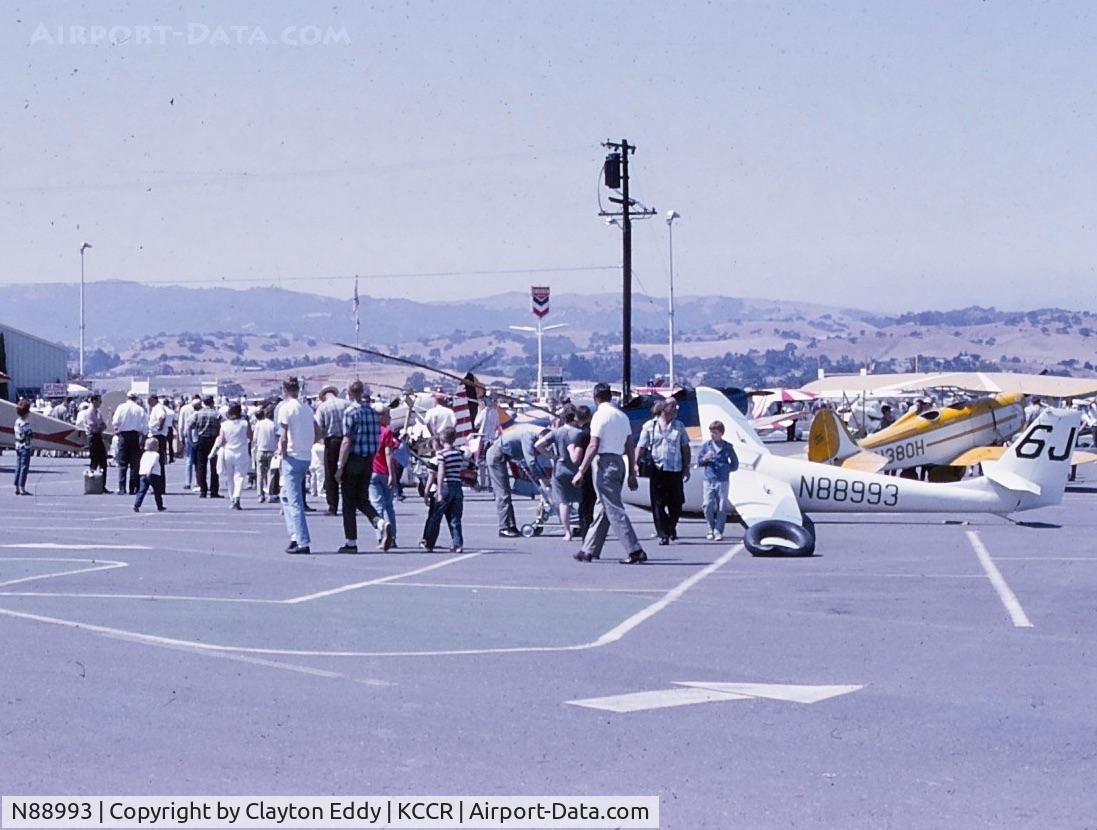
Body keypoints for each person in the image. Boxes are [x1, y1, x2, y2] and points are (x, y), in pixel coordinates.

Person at [572, 383, 646, 564]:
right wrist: (631, 471)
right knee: (603, 507)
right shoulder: (621, 416)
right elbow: (630, 444)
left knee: (613, 508)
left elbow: (593, 445)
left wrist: (581, 470)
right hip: (620, 462)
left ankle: (635, 550)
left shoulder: (599, 416)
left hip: (605, 462)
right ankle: (588, 550)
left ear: (595, 396)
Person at [335, 380, 382, 554]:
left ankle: (351, 541)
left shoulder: (351, 412)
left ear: (349, 393)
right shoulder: (372, 412)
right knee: (362, 498)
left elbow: (347, 440)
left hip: (354, 459)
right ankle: (379, 521)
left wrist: (340, 465)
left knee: (348, 502)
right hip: (369, 460)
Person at [636, 397, 691, 545]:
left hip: (675, 469)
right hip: (657, 469)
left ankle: (670, 526)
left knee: (677, 503)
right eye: (672, 406)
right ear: (663, 408)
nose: (675, 409)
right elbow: (641, 446)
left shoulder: (679, 426)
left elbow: (685, 447)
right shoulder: (650, 426)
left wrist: (687, 467)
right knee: (658, 504)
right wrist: (635, 463)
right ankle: (663, 534)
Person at [278, 377, 320, 554]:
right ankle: (294, 535)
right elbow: (318, 432)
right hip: (305, 456)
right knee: (285, 496)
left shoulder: (285, 408)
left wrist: (283, 451)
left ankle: (302, 540)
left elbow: (283, 434)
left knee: (295, 501)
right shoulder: (307, 409)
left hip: (292, 456)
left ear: (285, 390)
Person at [535, 404, 584, 541]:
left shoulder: (557, 432)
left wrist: (551, 455)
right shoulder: (578, 433)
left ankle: (567, 532)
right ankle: (583, 527)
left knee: (564, 502)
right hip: (577, 469)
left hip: (560, 469)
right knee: (581, 501)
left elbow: (538, 445)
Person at [485, 425, 542, 537]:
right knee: (503, 493)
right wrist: (539, 476)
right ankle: (504, 527)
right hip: (497, 455)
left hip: (504, 455)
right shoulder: (529, 436)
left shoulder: (533, 434)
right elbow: (530, 460)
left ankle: (511, 525)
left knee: (506, 493)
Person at [420, 426, 465, 552]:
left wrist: (439, 491)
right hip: (457, 486)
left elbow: (441, 473)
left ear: (441, 440)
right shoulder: (458, 454)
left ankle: (429, 543)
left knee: (436, 516)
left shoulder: (441, 455)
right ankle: (457, 544)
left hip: (445, 486)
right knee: (455, 517)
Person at [697, 420, 738, 541]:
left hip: (723, 480)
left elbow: (735, 464)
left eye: (715, 432)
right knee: (707, 505)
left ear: (721, 433)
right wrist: (705, 458)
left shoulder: (727, 447)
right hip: (709, 479)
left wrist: (726, 469)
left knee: (721, 506)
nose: (712, 435)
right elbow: (699, 462)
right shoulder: (706, 446)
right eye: (711, 432)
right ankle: (710, 527)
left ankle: (718, 530)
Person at [314, 384, 348, 515]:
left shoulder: (322, 408)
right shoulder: (346, 404)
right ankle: (349, 504)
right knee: (346, 473)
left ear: (323, 396)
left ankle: (333, 506)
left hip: (331, 441)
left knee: (330, 475)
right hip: (346, 440)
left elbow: (319, 428)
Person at [369, 404, 400, 550]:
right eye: (388, 416)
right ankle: (391, 536)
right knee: (389, 506)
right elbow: (388, 453)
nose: (390, 418)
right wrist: (391, 474)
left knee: (377, 506)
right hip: (383, 471)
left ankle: (381, 535)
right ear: (381, 417)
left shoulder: (369, 431)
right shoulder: (386, 432)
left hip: (372, 471)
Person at [215, 402, 252, 510]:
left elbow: (221, 440)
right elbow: (250, 436)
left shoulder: (224, 425)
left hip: (228, 452)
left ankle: (232, 499)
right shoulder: (245, 423)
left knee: (230, 477)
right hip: (241, 452)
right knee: (239, 477)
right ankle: (237, 497)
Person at [112, 391, 148, 495]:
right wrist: (144, 436)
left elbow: (115, 422)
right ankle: (133, 488)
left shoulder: (121, 407)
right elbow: (145, 425)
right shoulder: (140, 409)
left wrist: (118, 429)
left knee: (122, 463)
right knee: (134, 464)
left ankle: (122, 488)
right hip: (135, 436)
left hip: (123, 436)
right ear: (136, 398)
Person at [191, 395, 222, 498]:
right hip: (213, 440)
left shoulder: (198, 414)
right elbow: (223, 427)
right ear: (212, 402)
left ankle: (203, 490)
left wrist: (191, 441)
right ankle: (214, 491)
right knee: (214, 466)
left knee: (201, 466)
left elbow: (189, 427)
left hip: (201, 439)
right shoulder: (216, 414)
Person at [573, 405, 596, 538]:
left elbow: (576, 458)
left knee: (585, 505)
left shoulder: (581, 435)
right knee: (594, 503)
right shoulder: (594, 432)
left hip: (585, 471)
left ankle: (586, 532)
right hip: (597, 469)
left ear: (577, 418)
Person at [133, 436, 166, 512]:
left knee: (142, 490)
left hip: (143, 474)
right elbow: (153, 463)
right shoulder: (156, 455)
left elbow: (141, 463)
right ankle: (160, 506)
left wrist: (142, 472)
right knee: (157, 491)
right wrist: (150, 470)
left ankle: (136, 504)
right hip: (153, 474)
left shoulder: (144, 454)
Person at [252, 406, 277, 503]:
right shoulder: (274, 425)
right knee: (271, 474)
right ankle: (269, 494)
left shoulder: (259, 424)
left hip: (261, 450)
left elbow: (254, 439)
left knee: (260, 474)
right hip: (272, 451)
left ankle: (260, 494)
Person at [81, 395, 108, 477]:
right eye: (99, 401)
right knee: (94, 459)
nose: (100, 403)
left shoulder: (98, 412)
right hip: (92, 437)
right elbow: (93, 426)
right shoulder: (89, 412)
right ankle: (93, 482)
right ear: (93, 401)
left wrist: (99, 427)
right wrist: (99, 426)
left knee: (103, 461)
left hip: (98, 436)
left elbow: (104, 425)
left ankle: (102, 484)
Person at [177, 394, 200, 489]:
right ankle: (198, 481)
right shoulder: (200, 409)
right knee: (198, 460)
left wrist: (180, 437)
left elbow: (181, 424)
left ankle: (188, 482)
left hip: (188, 436)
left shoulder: (184, 409)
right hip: (198, 435)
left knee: (189, 459)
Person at [147, 394, 169, 487]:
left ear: (154, 400)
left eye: (149, 401)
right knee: (155, 461)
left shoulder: (158, 408)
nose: (148, 403)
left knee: (158, 461)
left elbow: (162, 417)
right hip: (156, 435)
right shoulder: (155, 408)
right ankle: (158, 485)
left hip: (158, 436)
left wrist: (159, 427)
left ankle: (160, 485)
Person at [12, 399, 33, 495]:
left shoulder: (17, 421)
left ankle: (16, 486)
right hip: (25, 446)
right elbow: (29, 434)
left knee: (18, 466)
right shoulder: (25, 423)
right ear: (26, 412)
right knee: (24, 467)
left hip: (18, 445)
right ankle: (22, 487)